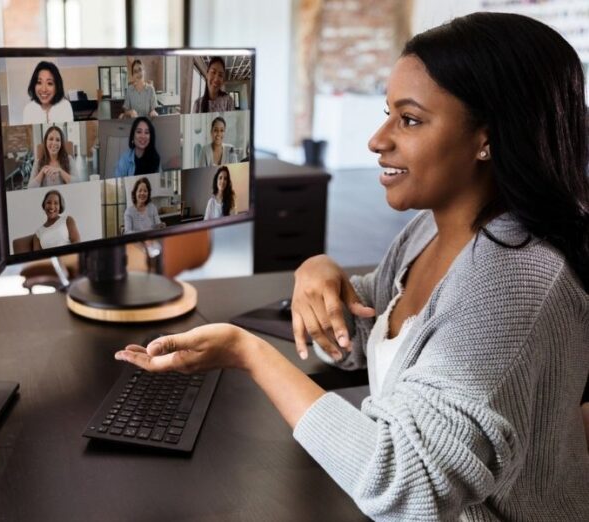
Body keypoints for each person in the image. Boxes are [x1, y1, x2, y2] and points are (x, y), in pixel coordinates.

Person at [116, 13, 589, 520]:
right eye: (388, 113)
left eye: (410, 120)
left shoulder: (515, 283)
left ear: (486, 138)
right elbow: (367, 334)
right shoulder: (430, 231)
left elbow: (407, 488)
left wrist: (248, 352)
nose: (377, 139)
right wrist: (317, 272)